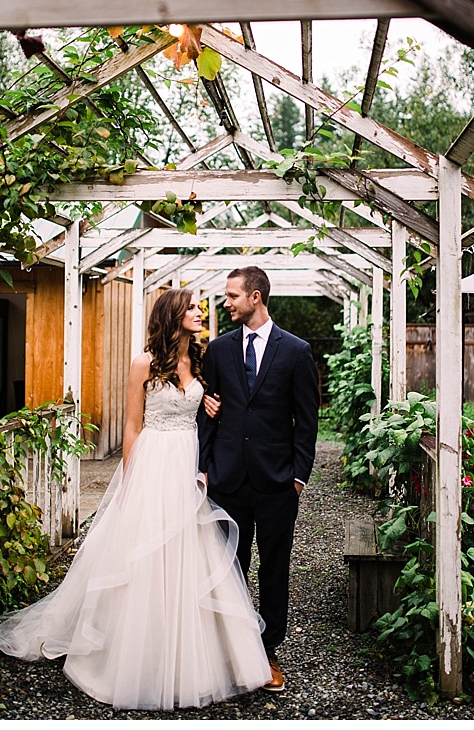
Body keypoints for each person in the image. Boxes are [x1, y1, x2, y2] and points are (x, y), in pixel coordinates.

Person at [0, 287, 272, 710]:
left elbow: (209, 413)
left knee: (192, 553)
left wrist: (212, 410)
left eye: (199, 307)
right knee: (144, 557)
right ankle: (130, 658)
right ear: (172, 315)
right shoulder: (144, 363)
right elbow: (133, 427)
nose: (200, 311)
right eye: (191, 307)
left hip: (191, 461)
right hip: (155, 462)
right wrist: (132, 482)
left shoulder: (203, 362)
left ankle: (196, 657)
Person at [198, 266, 319, 694]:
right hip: (227, 478)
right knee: (230, 568)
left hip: (276, 483)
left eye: (232, 296)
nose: (225, 302)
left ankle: (266, 652)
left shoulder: (297, 351)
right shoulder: (217, 349)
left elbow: (307, 422)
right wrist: (205, 466)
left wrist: (298, 478)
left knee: (274, 568)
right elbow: (207, 411)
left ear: (255, 297)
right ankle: (232, 650)